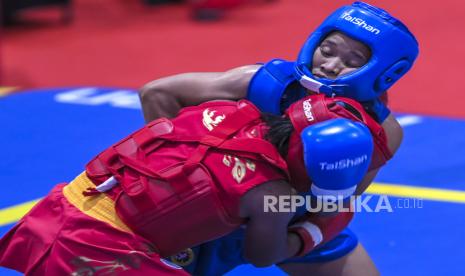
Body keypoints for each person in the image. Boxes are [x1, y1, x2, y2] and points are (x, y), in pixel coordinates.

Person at [138, 2, 419, 275]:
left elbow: (337, 203)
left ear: (384, 73)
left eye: (352, 61)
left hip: (290, 217)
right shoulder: (268, 82)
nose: (330, 66)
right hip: (212, 213)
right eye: (327, 50)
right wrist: (184, 176)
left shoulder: (381, 132)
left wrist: (297, 241)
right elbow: (157, 93)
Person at [0, 93, 388, 275]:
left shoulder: (225, 109)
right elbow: (264, 256)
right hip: (102, 253)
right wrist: (317, 230)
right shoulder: (274, 195)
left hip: (59, 211)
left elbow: (157, 94)